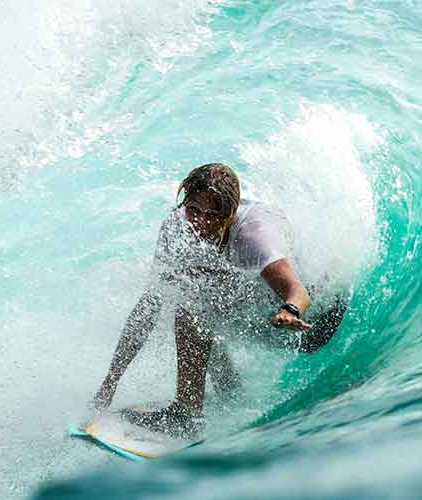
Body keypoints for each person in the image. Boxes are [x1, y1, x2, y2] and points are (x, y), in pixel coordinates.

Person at [90, 163, 347, 438]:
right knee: (188, 290)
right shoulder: (177, 227)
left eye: (212, 214)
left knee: (192, 306)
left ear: (230, 213)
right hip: (260, 311)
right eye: (194, 210)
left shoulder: (253, 236)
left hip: (310, 324)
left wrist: (289, 310)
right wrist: (110, 381)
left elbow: (298, 291)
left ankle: (187, 415)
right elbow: (148, 307)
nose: (200, 222)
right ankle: (230, 394)